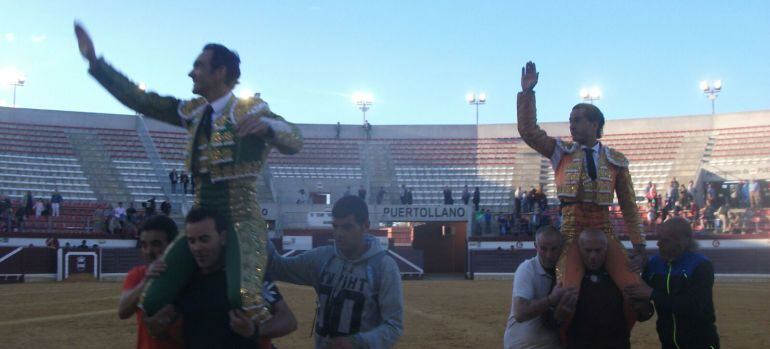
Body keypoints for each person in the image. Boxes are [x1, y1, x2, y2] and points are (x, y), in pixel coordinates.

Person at [76, 22, 303, 318]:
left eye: (199, 66)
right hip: (199, 222)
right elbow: (141, 100)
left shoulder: (250, 110)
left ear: (220, 72)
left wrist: (269, 128)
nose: (191, 72)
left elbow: (294, 138)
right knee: (153, 298)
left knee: (244, 298)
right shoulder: (193, 111)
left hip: (241, 221)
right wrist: (96, 63)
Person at [516, 61, 645, 324]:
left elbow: (629, 206)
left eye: (577, 120)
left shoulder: (616, 160)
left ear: (595, 124)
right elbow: (528, 131)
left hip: (604, 232)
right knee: (567, 297)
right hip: (571, 233)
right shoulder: (559, 152)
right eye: (570, 121)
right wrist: (527, 94)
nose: (571, 126)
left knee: (635, 294)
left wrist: (639, 245)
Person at [145, 207, 298, 349]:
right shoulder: (184, 277)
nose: (197, 247)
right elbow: (161, 326)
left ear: (223, 237)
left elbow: (288, 320)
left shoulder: (245, 275)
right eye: (192, 241)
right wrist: (155, 326)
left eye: (204, 239)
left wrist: (255, 330)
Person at [268, 196, 403, 348]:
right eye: (335, 226)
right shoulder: (322, 258)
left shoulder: (384, 267)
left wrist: (356, 342)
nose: (339, 233)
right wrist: (257, 232)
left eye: (347, 227)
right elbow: (278, 267)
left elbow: (393, 326)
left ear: (365, 226)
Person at [624, 217, 720, 349]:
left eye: (666, 240)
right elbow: (642, 300)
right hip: (668, 344)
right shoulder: (654, 264)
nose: (658, 244)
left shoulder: (701, 265)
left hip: (700, 344)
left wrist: (653, 295)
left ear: (683, 242)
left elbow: (694, 307)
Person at [558, 229, 654, 349]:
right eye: (588, 250)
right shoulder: (567, 278)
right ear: (579, 250)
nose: (593, 256)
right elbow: (551, 321)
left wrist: (644, 308)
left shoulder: (621, 277)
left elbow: (645, 314)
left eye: (598, 250)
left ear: (606, 249)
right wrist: (558, 315)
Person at [118, 215, 183, 349]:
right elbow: (123, 311)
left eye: (156, 244)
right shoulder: (138, 275)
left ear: (172, 245)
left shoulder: (189, 276)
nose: (148, 251)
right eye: (144, 245)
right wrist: (147, 279)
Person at [504, 226, 569, 349]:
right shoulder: (527, 269)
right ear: (535, 246)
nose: (549, 255)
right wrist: (551, 299)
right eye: (543, 249)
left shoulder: (565, 272)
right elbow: (520, 313)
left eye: (554, 249)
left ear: (561, 248)